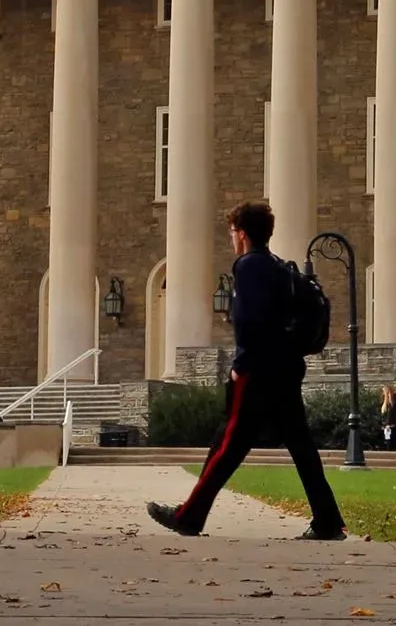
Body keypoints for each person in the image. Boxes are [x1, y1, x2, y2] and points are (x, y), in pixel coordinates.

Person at [147, 202, 346, 541]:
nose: (231, 238)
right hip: (286, 369)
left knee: (228, 445)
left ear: (241, 234)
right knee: (299, 445)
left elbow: (251, 322)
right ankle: (327, 520)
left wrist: (241, 367)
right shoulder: (279, 267)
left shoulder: (250, 266)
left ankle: (189, 516)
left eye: (232, 232)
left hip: (259, 372)